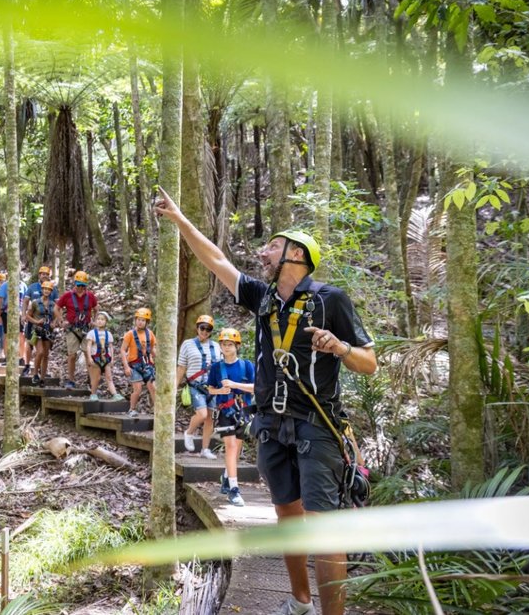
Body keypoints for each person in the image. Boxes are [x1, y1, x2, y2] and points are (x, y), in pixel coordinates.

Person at [155, 187, 377, 615]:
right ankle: (299, 604)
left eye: (273, 246)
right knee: (287, 519)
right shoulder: (264, 299)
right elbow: (217, 261)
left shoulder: (331, 300)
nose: (263, 253)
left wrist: (341, 349)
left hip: (318, 425)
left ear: (297, 255)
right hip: (272, 425)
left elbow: (370, 362)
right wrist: (181, 221)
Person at [208, 328, 255, 507]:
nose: (226, 347)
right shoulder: (216, 368)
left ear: (237, 346)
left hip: (243, 411)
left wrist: (235, 385)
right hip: (225, 412)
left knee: (237, 449)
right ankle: (234, 489)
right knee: (231, 446)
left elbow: (256, 387)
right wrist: (220, 391)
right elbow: (210, 389)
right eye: (223, 344)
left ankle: (227, 477)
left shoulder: (246, 366)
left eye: (229, 344)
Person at [177, 314, 220, 460]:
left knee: (210, 419)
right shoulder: (187, 344)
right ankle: (189, 432)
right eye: (202, 328)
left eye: (208, 329)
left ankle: (205, 449)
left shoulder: (216, 346)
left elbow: (220, 369)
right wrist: (174, 386)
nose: (205, 331)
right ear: (197, 328)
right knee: (202, 414)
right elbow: (181, 367)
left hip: (212, 387)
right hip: (195, 385)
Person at [54, 270, 97, 389]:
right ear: (75, 284)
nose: (81, 288)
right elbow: (56, 308)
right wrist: (61, 321)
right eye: (79, 285)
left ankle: (91, 380)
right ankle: (71, 380)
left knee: (88, 354)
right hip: (72, 329)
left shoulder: (90, 296)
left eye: (83, 286)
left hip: (86, 329)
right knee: (72, 355)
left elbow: (96, 309)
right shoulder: (67, 296)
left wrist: (94, 320)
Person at [121, 308, 157, 417]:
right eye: (138, 319)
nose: (140, 322)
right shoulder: (130, 334)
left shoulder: (149, 334)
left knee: (153, 387)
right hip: (134, 365)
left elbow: (153, 348)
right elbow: (123, 350)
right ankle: (132, 409)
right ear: (135, 320)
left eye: (143, 320)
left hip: (147, 364)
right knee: (137, 389)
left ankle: (157, 410)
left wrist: (156, 356)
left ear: (147, 322)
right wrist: (126, 367)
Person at [22, 266, 58, 376]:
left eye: (47, 274)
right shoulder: (32, 287)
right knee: (29, 342)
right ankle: (27, 365)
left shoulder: (53, 289)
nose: (45, 276)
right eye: (43, 274)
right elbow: (26, 301)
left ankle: (41, 371)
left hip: (47, 322)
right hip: (33, 319)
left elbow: (57, 306)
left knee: (44, 349)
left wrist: (55, 321)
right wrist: (23, 315)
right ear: (39, 275)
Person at [84, 311, 122, 402]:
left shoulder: (108, 334)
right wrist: (89, 357)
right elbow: (88, 346)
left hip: (107, 358)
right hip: (95, 358)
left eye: (102, 319)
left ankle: (114, 394)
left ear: (106, 321)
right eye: (98, 319)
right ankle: (93, 394)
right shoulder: (92, 333)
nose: (100, 321)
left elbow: (111, 347)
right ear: (95, 321)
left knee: (109, 377)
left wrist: (112, 358)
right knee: (96, 378)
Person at [25, 280, 56, 387]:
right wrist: (37, 322)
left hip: (48, 332)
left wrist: (54, 323)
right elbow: (28, 316)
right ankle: (35, 374)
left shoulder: (53, 305)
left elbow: (57, 318)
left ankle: (42, 378)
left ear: (51, 291)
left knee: (46, 355)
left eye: (49, 289)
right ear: (42, 290)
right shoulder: (35, 302)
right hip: (37, 330)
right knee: (40, 352)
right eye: (45, 289)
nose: (46, 291)